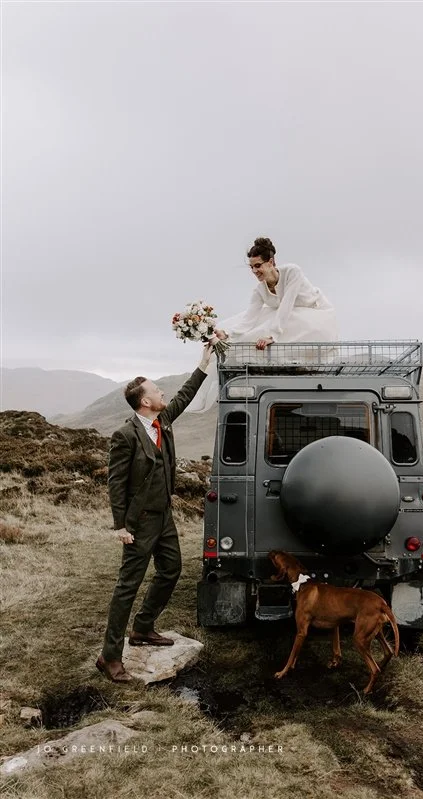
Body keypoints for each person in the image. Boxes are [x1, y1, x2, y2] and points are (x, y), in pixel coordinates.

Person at [96, 344, 213, 683]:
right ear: (144, 401)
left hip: (164, 517)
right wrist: (120, 525)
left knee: (171, 569)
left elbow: (186, 396)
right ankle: (110, 656)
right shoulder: (125, 435)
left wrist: (203, 363)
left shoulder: (162, 420)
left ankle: (143, 627)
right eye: (157, 390)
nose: (163, 393)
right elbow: (116, 482)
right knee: (126, 587)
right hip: (138, 521)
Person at [186, 237, 338, 412]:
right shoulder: (259, 290)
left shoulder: (292, 272)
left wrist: (272, 336)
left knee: (274, 324)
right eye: (251, 267)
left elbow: (287, 305)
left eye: (257, 265)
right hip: (286, 316)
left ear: (271, 262)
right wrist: (227, 334)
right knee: (254, 327)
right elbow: (249, 319)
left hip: (313, 313)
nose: (254, 271)